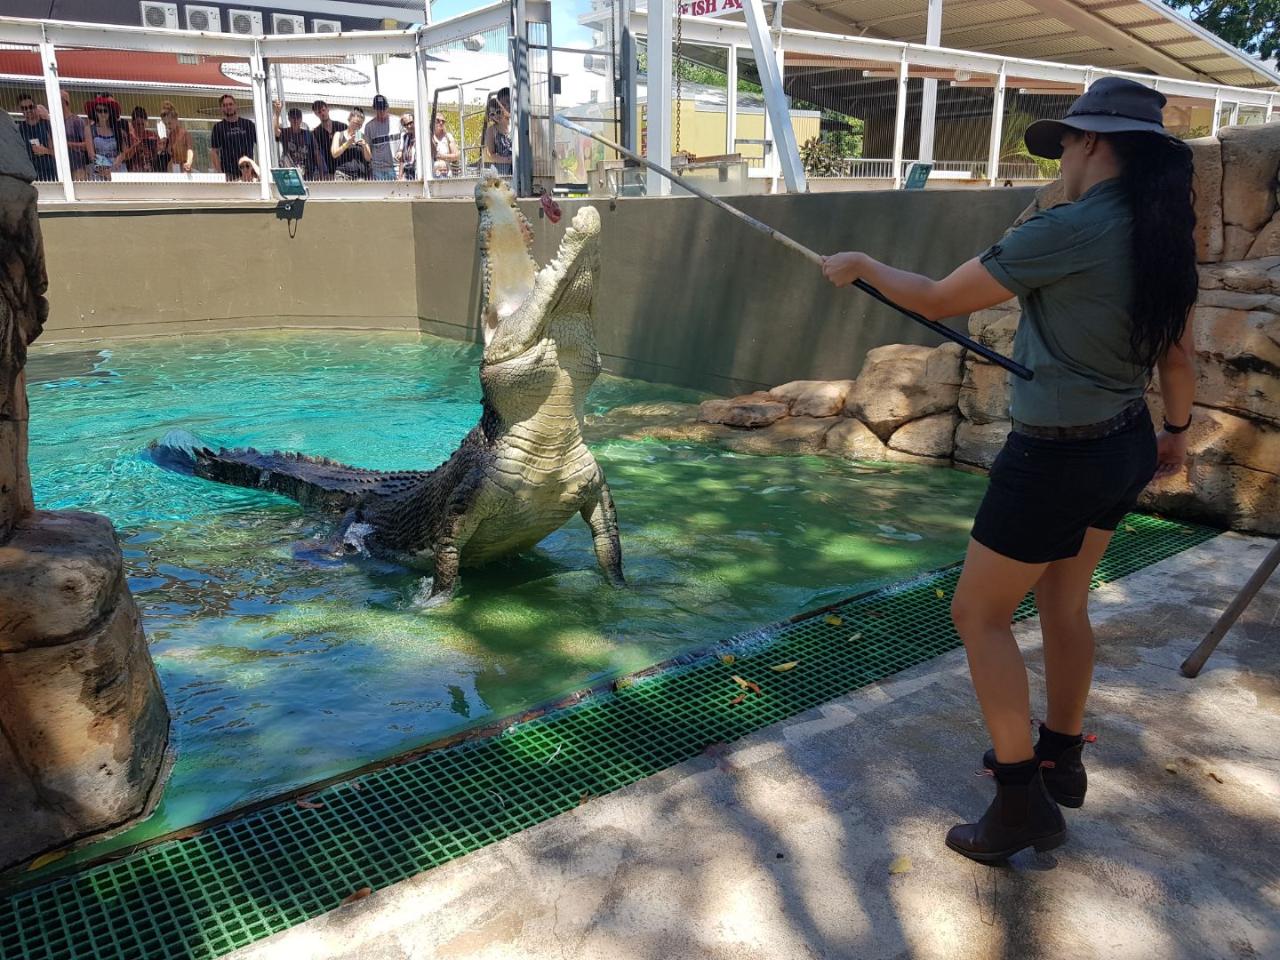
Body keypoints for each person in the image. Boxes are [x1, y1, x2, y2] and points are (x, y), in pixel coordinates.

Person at [821, 77, 1197, 863]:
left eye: (1064, 142)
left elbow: (937, 297)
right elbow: (1176, 349)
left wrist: (861, 263)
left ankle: (1020, 798)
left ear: (1091, 142)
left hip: (1057, 456)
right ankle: (1063, 753)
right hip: (1127, 438)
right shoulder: (1159, 226)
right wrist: (1177, 432)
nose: (1059, 155)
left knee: (978, 615)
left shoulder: (1071, 228)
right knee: (1066, 600)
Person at [211, 93, 256, 181]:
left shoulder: (248, 124)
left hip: (248, 172)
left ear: (236, 106)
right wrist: (220, 173)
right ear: (221, 109)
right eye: (225, 105)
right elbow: (214, 152)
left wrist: (255, 168)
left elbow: (261, 144)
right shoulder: (218, 127)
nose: (228, 107)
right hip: (229, 173)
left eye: (230, 104)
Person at [15, 93, 55, 181]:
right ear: (20, 110)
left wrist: (46, 151)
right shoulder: (20, 129)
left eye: (31, 107)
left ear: (35, 107)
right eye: (24, 108)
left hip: (50, 173)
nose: (28, 110)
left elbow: (60, 153)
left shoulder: (47, 125)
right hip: (31, 175)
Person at [86, 94, 126, 180]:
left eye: (105, 111)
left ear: (110, 112)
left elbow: (123, 152)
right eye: (99, 111)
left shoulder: (118, 130)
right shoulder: (89, 129)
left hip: (117, 168)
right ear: (95, 112)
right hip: (98, 169)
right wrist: (104, 167)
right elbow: (91, 154)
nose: (102, 113)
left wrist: (114, 166)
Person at [273, 100, 318, 179]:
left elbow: (316, 152)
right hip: (288, 172)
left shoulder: (308, 134)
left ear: (301, 119)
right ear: (289, 119)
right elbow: (275, 130)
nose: (295, 120)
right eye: (293, 118)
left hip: (306, 173)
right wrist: (277, 113)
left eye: (297, 118)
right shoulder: (285, 132)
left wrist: (322, 171)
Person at [330, 106, 371, 181]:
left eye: (360, 125)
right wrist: (347, 143)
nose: (357, 126)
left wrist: (364, 146)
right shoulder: (339, 134)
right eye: (355, 123)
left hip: (360, 176)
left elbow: (368, 158)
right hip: (342, 175)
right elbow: (334, 154)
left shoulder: (363, 137)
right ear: (349, 120)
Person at [363, 94, 397, 181]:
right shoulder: (369, 126)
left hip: (396, 167)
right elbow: (367, 149)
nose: (381, 112)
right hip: (378, 170)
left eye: (383, 109)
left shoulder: (397, 122)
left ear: (387, 108)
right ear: (375, 109)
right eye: (379, 109)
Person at [60, 91, 93, 180]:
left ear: (64, 102)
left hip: (78, 167)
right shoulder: (56, 123)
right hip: (61, 167)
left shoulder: (76, 121)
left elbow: (87, 145)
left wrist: (68, 144)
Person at [119, 106, 161, 173]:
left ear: (146, 123)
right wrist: (136, 147)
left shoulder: (152, 135)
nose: (141, 127)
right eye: (138, 124)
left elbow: (158, 152)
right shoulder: (128, 136)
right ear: (132, 123)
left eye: (143, 124)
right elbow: (125, 157)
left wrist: (158, 147)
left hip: (151, 171)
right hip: (133, 172)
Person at [156, 100, 193, 173]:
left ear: (176, 119)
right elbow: (171, 155)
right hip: (174, 167)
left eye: (169, 123)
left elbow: (190, 150)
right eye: (165, 124)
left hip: (184, 167)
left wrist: (189, 162)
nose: (167, 126)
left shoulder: (184, 133)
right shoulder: (169, 136)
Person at [481, 89, 512, 175]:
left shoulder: (515, 126)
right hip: (502, 172)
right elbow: (491, 155)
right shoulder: (491, 130)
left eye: (498, 112)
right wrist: (509, 160)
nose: (496, 116)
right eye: (492, 114)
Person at [310, 100, 341, 180]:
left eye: (323, 110)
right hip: (328, 174)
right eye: (319, 112)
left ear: (328, 109)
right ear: (316, 114)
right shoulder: (315, 132)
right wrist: (323, 173)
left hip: (344, 171)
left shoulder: (341, 126)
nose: (322, 114)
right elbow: (318, 154)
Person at [429, 112, 459, 178]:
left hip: (446, 174)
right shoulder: (428, 137)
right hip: (431, 175)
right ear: (432, 121)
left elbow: (456, 155)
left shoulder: (448, 137)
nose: (441, 123)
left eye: (443, 121)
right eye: (438, 120)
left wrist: (442, 156)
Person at [396, 112, 417, 180]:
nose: (408, 126)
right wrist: (400, 177)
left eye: (410, 123)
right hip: (408, 175)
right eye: (405, 125)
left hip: (419, 174)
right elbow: (402, 160)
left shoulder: (422, 137)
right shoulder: (405, 137)